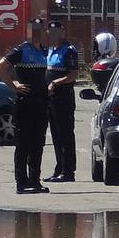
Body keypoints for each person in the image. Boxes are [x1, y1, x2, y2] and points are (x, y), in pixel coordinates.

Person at [0, 17, 52, 194]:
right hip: (25, 103)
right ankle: (21, 183)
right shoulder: (21, 50)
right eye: (36, 30)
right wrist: (14, 87)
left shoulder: (43, 51)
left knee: (38, 143)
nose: (40, 33)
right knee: (23, 143)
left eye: (41, 30)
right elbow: (0, 68)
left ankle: (35, 181)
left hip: (41, 103)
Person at [45, 21, 80, 182]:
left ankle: (68, 171)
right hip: (51, 99)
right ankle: (59, 168)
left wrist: (55, 83)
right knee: (56, 136)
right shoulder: (50, 50)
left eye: (56, 31)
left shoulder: (69, 51)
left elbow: (73, 75)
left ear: (62, 32)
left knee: (65, 134)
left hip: (64, 98)